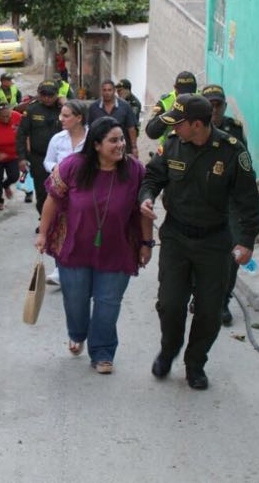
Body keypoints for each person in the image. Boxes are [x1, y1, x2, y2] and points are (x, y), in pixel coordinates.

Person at [139, 94, 259, 390]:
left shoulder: (232, 152)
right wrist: (146, 197)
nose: (174, 128)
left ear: (197, 125)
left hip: (215, 241)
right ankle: (169, 351)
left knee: (209, 310)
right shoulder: (172, 144)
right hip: (177, 238)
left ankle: (195, 363)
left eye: (178, 124)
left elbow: (249, 201)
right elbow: (152, 177)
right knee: (170, 304)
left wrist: (246, 241)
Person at [36, 117, 152, 374]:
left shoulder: (134, 170)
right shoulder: (73, 166)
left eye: (122, 139)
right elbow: (52, 200)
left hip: (118, 249)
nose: (120, 145)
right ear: (97, 144)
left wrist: (147, 243)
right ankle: (77, 332)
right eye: (113, 140)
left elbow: (143, 211)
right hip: (75, 248)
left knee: (108, 303)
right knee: (75, 300)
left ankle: (102, 352)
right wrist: (43, 234)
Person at [197, 84, 249, 326]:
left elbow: (244, 165)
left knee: (232, 254)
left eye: (218, 105)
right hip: (199, 200)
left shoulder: (234, 129)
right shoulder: (193, 129)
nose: (215, 110)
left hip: (230, 202)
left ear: (225, 107)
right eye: (210, 105)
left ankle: (222, 301)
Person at [42, 99, 89, 285]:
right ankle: (60, 268)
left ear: (79, 118)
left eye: (66, 116)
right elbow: (47, 161)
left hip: (85, 192)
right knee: (61, 229)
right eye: (61, 114)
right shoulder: (57, 139)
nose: (61, 119)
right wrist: (56, 168)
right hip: (62, 193)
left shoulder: (92, 138)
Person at [16, 80, 63, 215]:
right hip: (39, 159)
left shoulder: (64, 109)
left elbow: (81, 124)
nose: (47, 98)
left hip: (60, 160)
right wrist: (22, 158)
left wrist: (66, 103)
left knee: (61, 192)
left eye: (51, 95)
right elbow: (21, 134)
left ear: (57, 94)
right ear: (39, 94)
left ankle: (59, 222)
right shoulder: (32, 109)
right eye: (44, 95)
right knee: (42, 192)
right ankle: (44, 221)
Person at [144, 71, 198, 148]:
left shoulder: (201, 99)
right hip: (169, 148)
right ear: (175, 88)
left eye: (190, 94)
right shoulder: (165, 102)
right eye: (182, 94)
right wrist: (170, 112)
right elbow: (151, 132)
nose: (186, 98)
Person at [88, 79, 138, 158]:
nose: (107, 93)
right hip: (100, 152)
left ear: (114, 91)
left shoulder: (125, 106)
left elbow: (131, 128)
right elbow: (89, 129)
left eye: (109, 90)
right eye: (104, 90)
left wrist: (134, 147)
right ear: (101, 91)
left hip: (121, 150)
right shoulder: (94, 108)